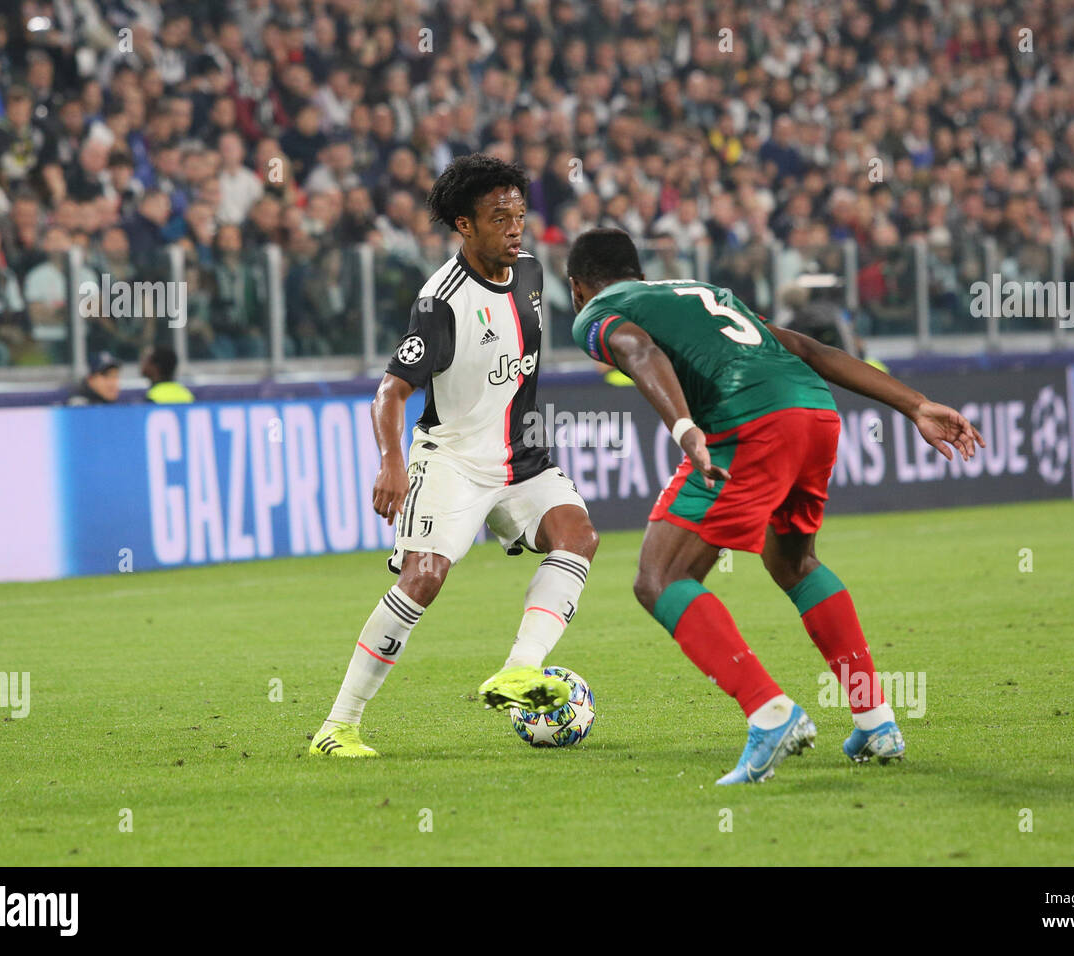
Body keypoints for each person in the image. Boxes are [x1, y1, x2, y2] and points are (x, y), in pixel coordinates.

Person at [566, 228, 984, 785]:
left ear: (576, 287)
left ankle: (770, 713)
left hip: (750, 420)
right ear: (640, 272)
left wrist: (686, 429)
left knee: (659, 578)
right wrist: (916, 404)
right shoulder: (699, 291)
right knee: (792, 561)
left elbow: (635, 351)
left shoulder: (596, 311)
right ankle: (876, 718)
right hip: (813, 411)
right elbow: (812, 350)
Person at [310, 154, 599, 759]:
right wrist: (392, 463)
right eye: (499, 218)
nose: (515, 227)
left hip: (522, 459)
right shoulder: (440, 301)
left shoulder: (531, 274)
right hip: (452, 462)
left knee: (577, 535)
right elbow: (391, 391)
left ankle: (521, 669)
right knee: (424, 578)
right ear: (465, 226)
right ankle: (338, 726)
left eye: (519, 214)